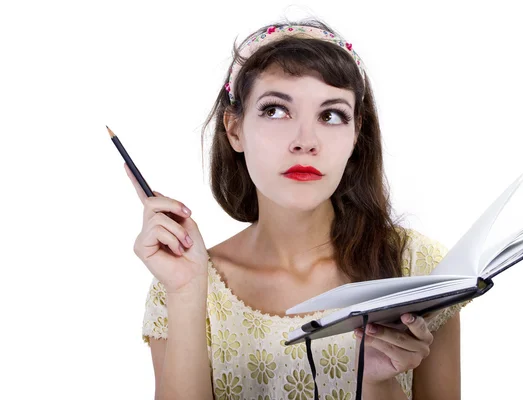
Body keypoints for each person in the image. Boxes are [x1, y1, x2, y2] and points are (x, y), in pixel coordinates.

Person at [132, 18, 469, 400]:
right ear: (234, 129)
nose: (305, 142)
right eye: (276, 110)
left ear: (356, 134)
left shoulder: (420, 268)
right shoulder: (182, 283)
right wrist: (186, 293)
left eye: (330, 115)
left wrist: (378, 382)